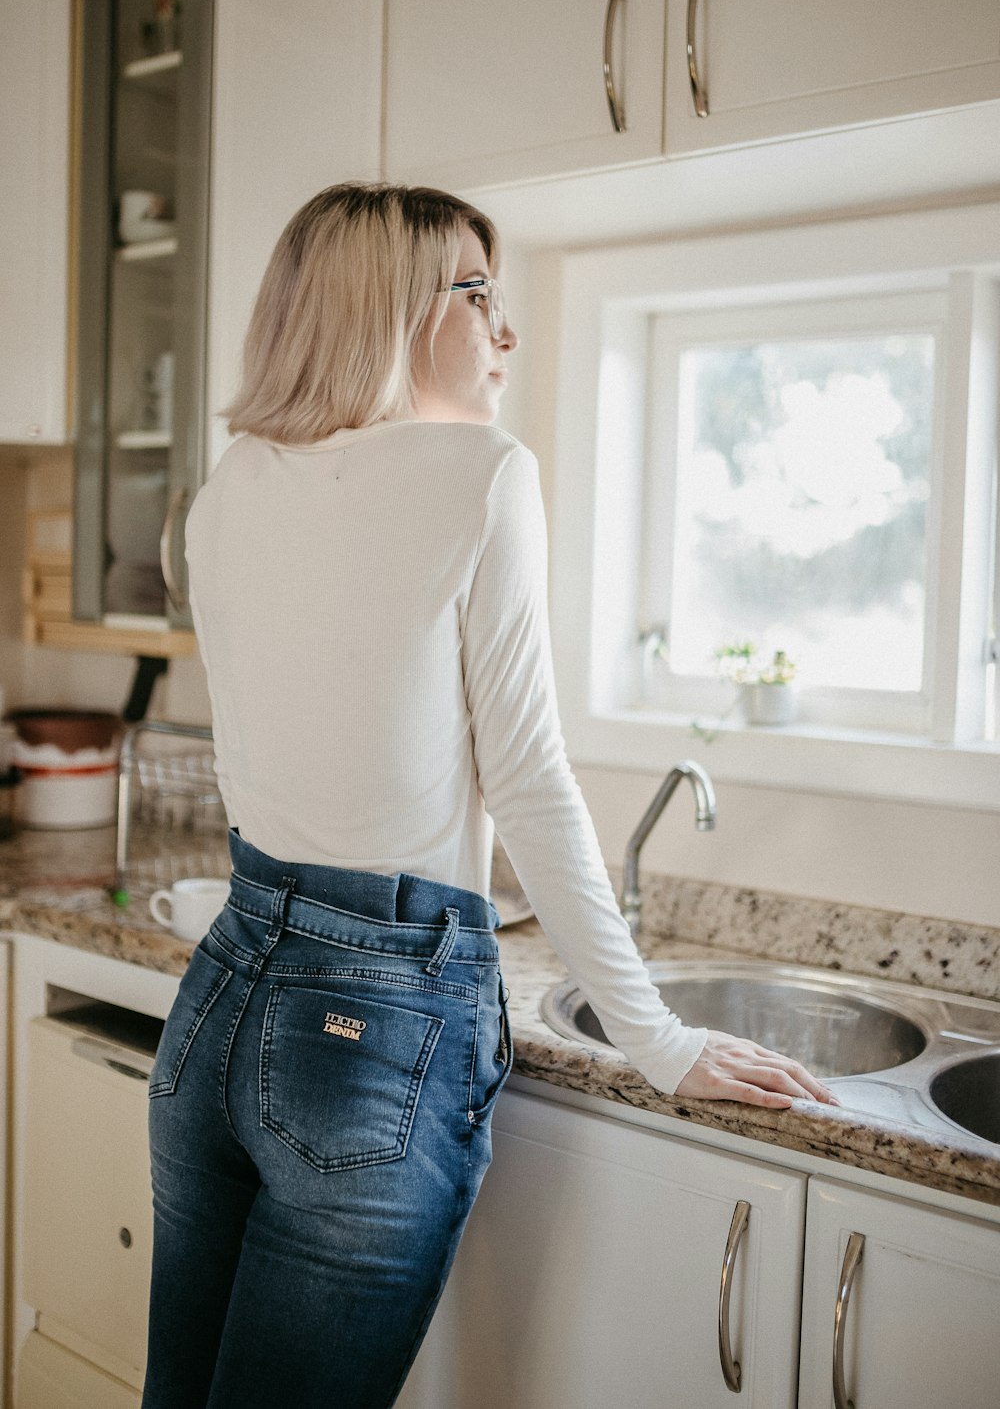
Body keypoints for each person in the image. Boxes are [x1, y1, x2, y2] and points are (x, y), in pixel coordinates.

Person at [141, 183, 835, 1409]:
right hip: (373, 1028)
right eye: (476, 293)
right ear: (390, 309)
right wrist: (658, 1039)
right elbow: (526, 780)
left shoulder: (228, 490)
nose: (505, 331)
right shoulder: (480, 473)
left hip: (221, 1003)